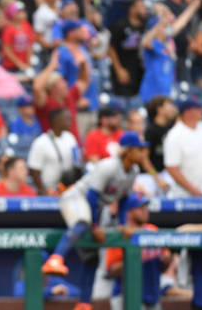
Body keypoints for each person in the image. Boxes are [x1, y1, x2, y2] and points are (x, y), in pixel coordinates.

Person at [42, 132, 149, 310]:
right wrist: (95, 226)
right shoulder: (109, 166)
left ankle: (84, 303)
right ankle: (56, 258)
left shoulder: (134, 171)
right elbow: (92, 196)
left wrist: (122, 224)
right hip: (76, 198)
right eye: (139, 149)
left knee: (92, 257)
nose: (144, 153)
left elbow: (123, 200)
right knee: (83, 222)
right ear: (128, 151)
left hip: (95, 208)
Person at [105, 194, 169, 310]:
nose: (146, 211)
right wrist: (134, 258)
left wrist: (166, 260)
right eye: (140, 208)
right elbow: (111, 271)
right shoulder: (120, 234)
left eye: (146, 207)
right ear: (129, 212)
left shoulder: (153, 230)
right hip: (125, 297)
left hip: (152, 296)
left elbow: (163, 266)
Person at [139, 0, 201, 103]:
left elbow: (180, 23)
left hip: (167, 94)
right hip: (151, 95)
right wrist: (161, 21)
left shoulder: (166, 44)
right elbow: (144, 42)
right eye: (162, 27)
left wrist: (194, 5)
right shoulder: (153, 45)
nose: (165, 29)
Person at [164, 99, 202, 197]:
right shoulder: (174, 135)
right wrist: (193, 190)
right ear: (187, 112)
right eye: (197, 108)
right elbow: (172, 168)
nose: (201, 111)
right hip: (184, 195)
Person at [28, 108, 82, 195]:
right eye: (67, 118)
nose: (70, 121)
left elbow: (77, 163)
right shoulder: (41, 142)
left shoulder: (70, 138)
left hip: (68, 187)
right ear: (56, 120)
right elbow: (35, 170)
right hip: (49, 189)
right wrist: (43, 191)